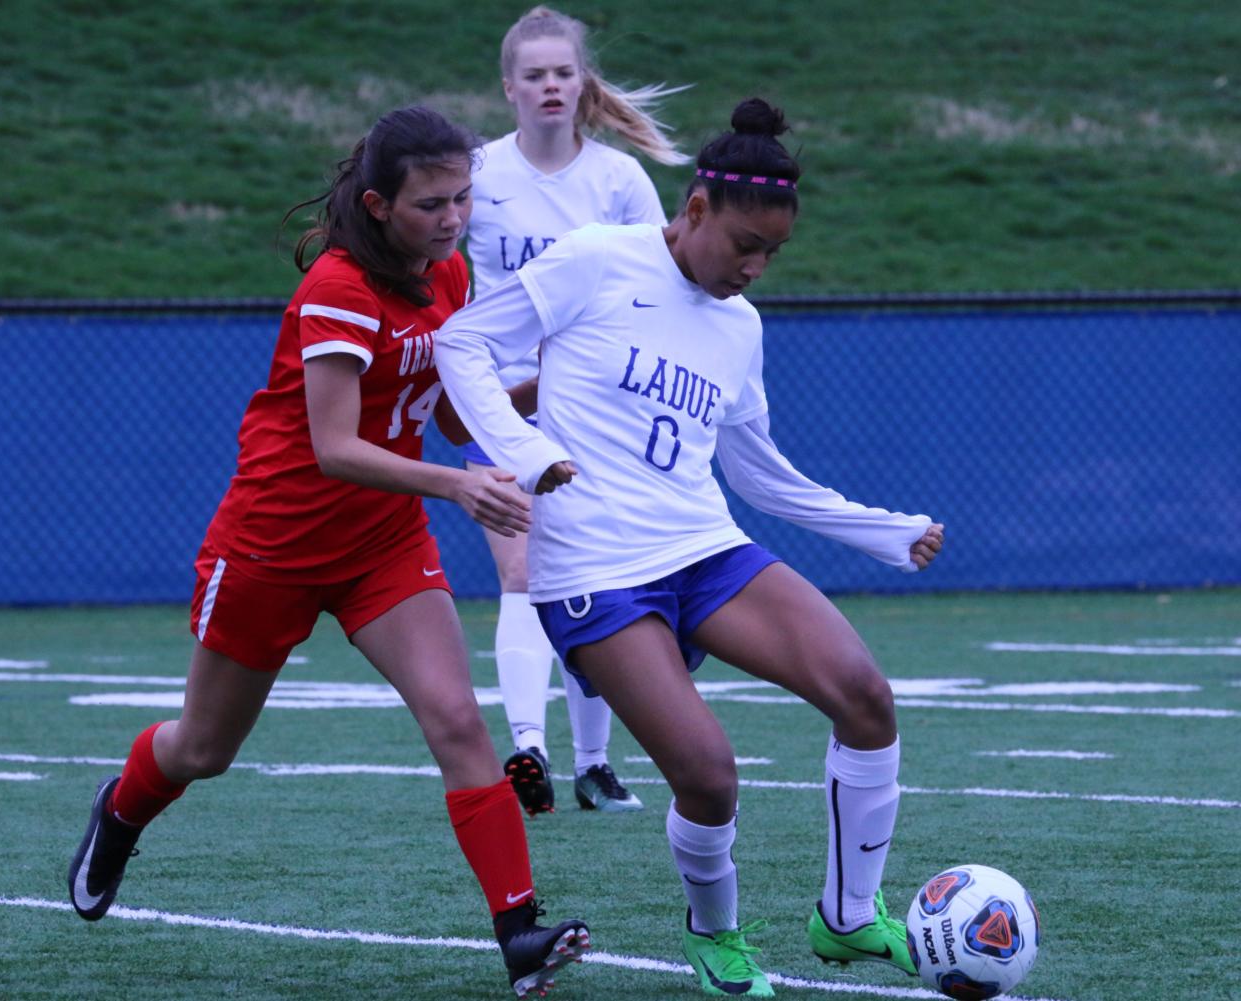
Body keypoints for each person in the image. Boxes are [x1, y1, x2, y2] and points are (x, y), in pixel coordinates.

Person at [66, 106, 589, 1000]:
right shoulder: (340, 287)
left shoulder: (451, 273)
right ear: (381, 203)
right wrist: (460, 486)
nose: (454, 218)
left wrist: (554, 384)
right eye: (432, 203)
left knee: (459, 721)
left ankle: (519, 931)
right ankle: (119, 811)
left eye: (464, 197)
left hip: (382, 541)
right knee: (202, 749)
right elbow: (334, 448)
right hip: (274, 545)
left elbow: (454, 410)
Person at [436, 98, 945, 998]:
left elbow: (760, 476)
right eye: (744, 243)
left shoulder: (738, 327)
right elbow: (463, 342)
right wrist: (527, 455)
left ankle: (847, 916)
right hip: (594, 573)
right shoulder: (598, 260)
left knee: (865, 695)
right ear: (696, 208)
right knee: (709, 777)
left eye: (772, 254)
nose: (753, 267)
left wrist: (882, 530)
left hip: (703, 549)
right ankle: (715, 934)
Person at [461, 5, 690, 818]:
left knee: (592, 576)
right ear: (509, 88)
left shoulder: (619, 181)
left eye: (563, 72)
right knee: (519, 573)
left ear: (581, 82)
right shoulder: (478, 176)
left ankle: (594, 763)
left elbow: (657, 285)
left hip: (597, 410)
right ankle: (529, 749)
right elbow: (439, 270)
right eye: (535, 75)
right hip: (502, 404)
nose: (551, 85)